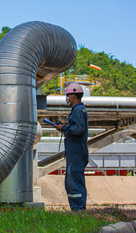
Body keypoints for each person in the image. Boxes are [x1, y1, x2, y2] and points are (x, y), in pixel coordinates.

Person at [55, 83, 89, 211]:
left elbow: (78, 129)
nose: (67, 97)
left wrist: (63, 128)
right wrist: (66, 127)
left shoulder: (79, 110)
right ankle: (76, 208)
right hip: (75, 153)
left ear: (74, 96)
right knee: (71, 182)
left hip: (76, 153)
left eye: (68, 95)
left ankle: (79, 209)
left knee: (74, 183)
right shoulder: (78, 110)